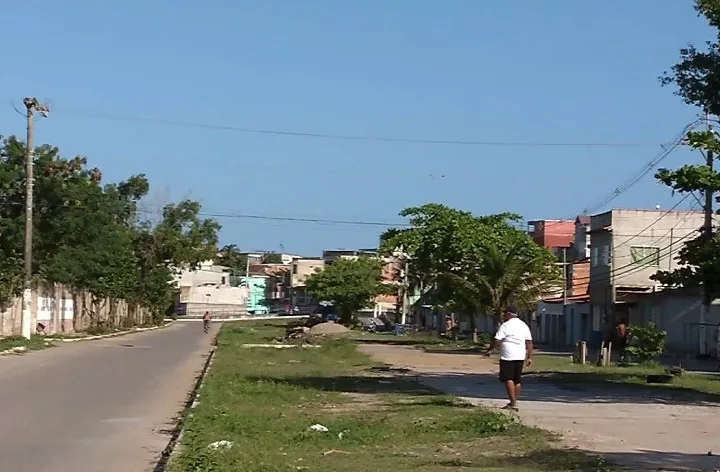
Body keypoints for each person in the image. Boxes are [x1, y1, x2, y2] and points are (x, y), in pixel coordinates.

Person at [485, 305, 533, 411]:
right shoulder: (523, 325)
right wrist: (529, 357)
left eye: (505, 313)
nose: (504, 315)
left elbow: (497, 339)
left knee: (508, 378)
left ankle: (513, 403)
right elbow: (529, 342)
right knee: (517, 380)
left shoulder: (506, 325)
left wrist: (491, 350)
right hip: (520, 355)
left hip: (508, 355)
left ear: (509, 314)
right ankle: (514, 402)